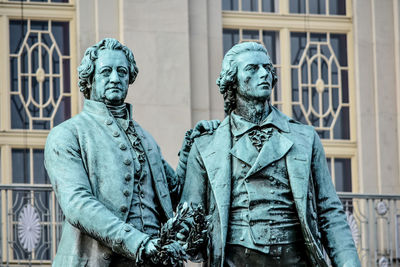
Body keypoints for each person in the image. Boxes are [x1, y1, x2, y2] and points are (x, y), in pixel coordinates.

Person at [180, 42, 361, 267]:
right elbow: (189, 217)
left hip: (294, 260)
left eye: (267, 68)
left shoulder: (304, 137)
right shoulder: (206, 145)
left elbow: (330, 212)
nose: (265, 74)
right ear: (232, 81)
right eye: (253, 69)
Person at [44, 38, 218, 267]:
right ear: (90, 78)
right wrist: (138, 242)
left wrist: (193, 147)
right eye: (106, 71)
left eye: (122, 72)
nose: (115, 78)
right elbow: (77, 204)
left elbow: (174, 194)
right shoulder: (67, 134)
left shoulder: (146, 139)